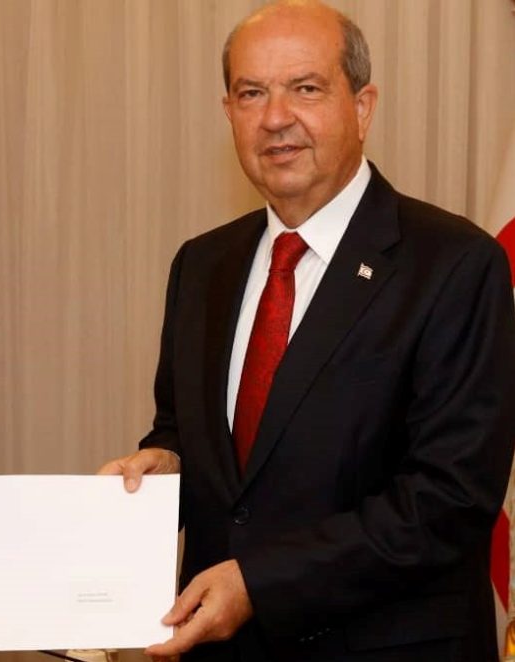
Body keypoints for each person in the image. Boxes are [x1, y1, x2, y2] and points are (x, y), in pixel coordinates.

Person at [99, 1, 515, 660]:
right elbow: (184, 430)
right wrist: (165, 464)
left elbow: (449, 498)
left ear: (363, 107)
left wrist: (259, 585)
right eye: (251, 93)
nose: (275, 117)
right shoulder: (202, 265)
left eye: (306, 88)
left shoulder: (455, 265)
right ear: (228, 112)